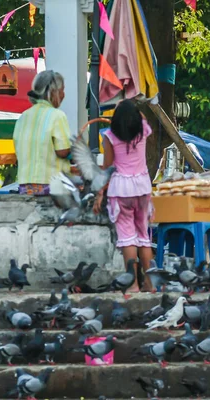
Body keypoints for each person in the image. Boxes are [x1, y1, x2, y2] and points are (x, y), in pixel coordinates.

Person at [95, 100, 154, 293]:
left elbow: (108, 167)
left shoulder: (109, 136)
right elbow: (143, 117)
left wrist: (100, 192)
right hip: (143, 188)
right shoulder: (143, 130)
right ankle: (151, 283)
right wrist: (131, 107)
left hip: (121, 190)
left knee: (127, 238)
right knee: (144, 236)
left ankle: (133, 284)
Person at [12, 70, 71, 196]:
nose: (63, 95)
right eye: (62, 90)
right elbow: (63, 151)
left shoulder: (23, 117)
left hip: (24, 186)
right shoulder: (57, 116)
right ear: (53, 92)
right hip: (50, 185)